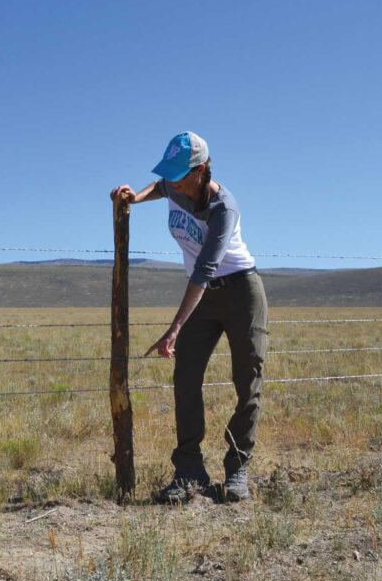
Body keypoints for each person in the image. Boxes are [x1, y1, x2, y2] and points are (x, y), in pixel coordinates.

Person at [110, 132, 268, 504]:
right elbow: (161, 187)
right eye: (172, 173)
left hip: (240, 292)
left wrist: (174, 329)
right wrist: (136, 196)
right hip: (203, 295)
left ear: (201, 170)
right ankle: (189, 472)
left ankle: (237, 469)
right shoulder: (176, 186)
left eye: (182, 174)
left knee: (248, 379)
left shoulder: (223, 208)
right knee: (186, 377)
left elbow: (204, 269)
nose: (175, 181)